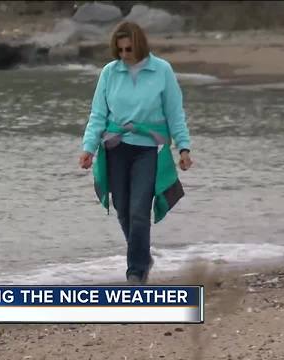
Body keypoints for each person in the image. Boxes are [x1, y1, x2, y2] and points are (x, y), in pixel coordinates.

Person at [78, 21, 193, 285]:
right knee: (122, 209)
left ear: (139, 45)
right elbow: (98, 114)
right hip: (114, 147)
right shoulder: (109, 72)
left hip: (147, 149)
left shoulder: (162, 70)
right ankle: (142, 254)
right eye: (119, 50)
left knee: (140, 209)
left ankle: (136, 272)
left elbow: (175, 113)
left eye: (129, 49)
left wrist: (183, 147)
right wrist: (88, 148)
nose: (124, 55)